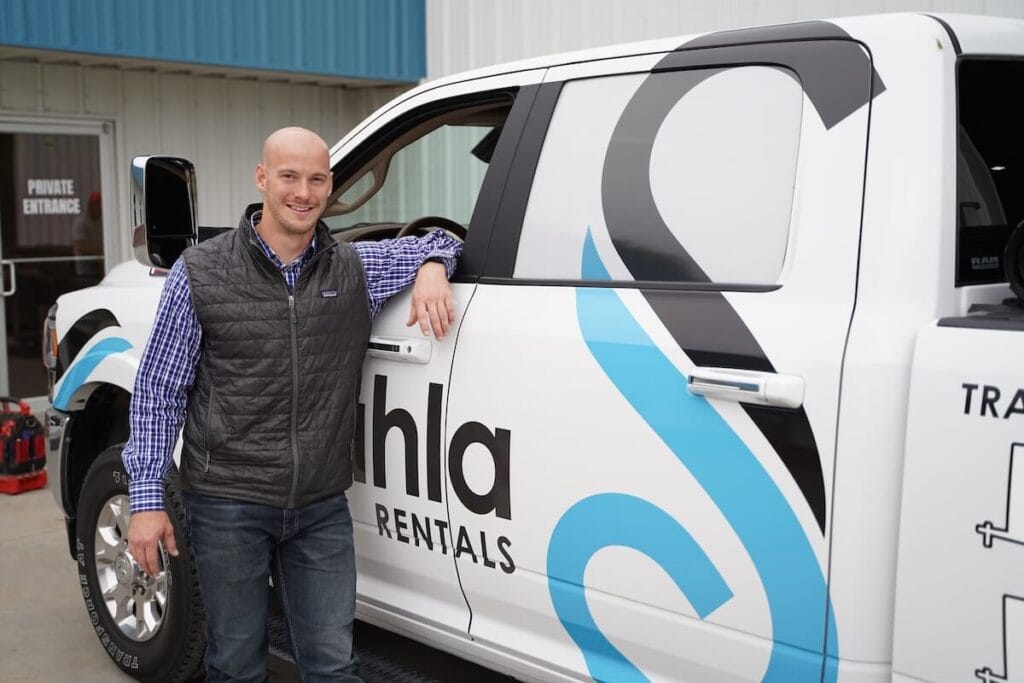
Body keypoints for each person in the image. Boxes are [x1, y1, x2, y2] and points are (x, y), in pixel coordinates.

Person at [122, 126, 462, 682]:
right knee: (236, 666)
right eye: (289, 176)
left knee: (334, 666)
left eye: (317, 179)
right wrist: (146, 500)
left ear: (330, 185)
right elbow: (160, 392)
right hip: (228, 503)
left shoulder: (354, 268)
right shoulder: (200, 272)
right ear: (262, 179)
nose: (303, 193)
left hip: (319, 506)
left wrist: (431, 268)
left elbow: (445, 240)